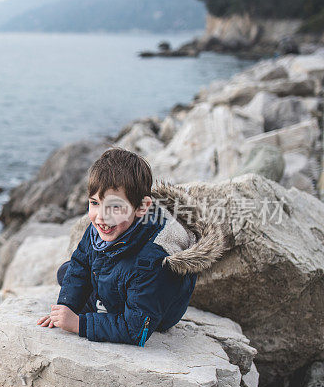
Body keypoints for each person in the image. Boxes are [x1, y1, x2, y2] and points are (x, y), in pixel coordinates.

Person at [36, 147, 225, 346]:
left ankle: (105, 306)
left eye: (114, 207)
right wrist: (65, 307)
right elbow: (80, 264)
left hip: (150, 312)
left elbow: (136, 331)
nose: (101, 216)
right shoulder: (104, 228)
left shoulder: (152, 259)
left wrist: (78, 323)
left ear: (142, 207)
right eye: (94, 202)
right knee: (68, 273)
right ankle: (100, 301)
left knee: (97, 290)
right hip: (122, 279)